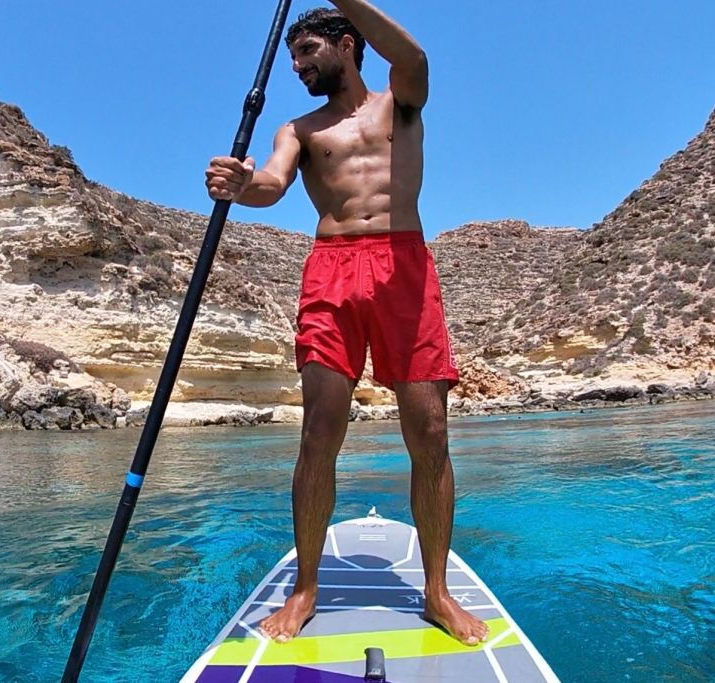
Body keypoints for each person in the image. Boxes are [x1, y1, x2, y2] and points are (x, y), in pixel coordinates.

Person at [204, 1, 488, 646]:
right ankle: (306, 588)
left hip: (404, 266)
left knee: (432, 434)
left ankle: (436, 592)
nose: (298, 65)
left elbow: (415, 58)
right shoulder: (299, 130)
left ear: (347, 45)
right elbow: (271, 186)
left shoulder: (399, 104)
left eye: (306, 51)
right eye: (292, 55)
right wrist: (239, 183)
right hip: (331, 271)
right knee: (318, 435)